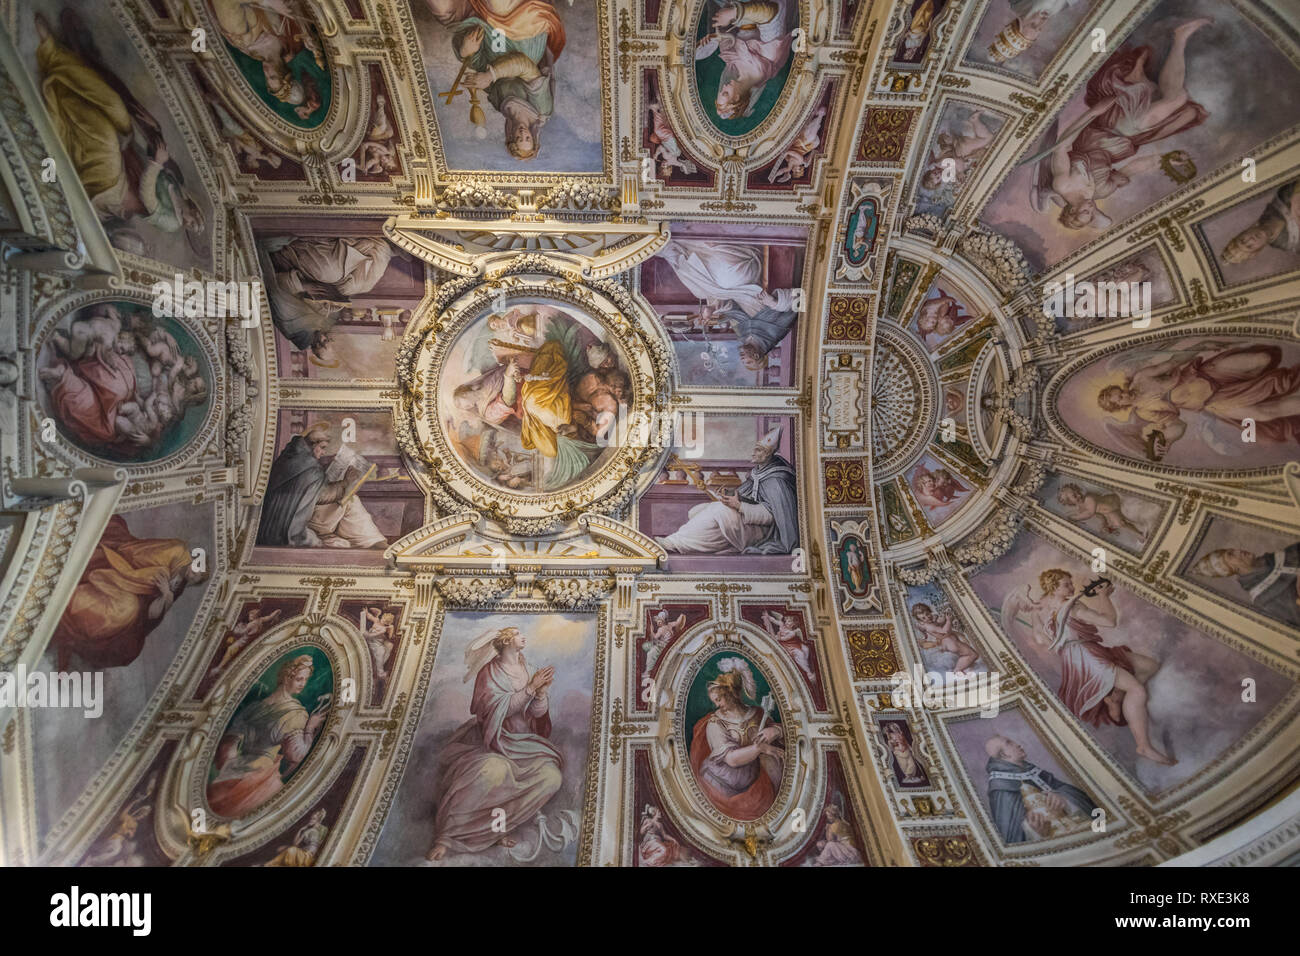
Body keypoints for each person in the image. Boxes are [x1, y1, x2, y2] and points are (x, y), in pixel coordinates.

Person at [1029, 18, 1212, 231]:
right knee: (1176, 101)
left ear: (1071, 210)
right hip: (1126, 142)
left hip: (1106, 129)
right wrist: (1167, 159)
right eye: (1092, 213)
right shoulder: (1101, 191)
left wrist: (1094, 112)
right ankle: (1178, 40)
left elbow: (1062, 144)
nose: (1092, 208)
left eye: (1086, 212)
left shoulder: (1062, 185)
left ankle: (1180, 36)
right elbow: (1131, 169)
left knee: (1176, 100)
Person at [35, 12, 205, 240]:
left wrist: (157, 164)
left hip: (116, 189)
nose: (189, 221)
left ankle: (59, 91)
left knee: (105, 135)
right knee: (114, 104)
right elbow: (151, 157)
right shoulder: (179, 188)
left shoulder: (171, 223)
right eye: (194, 219)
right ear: (195, 210)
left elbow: (147, 196)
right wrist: (153, 130)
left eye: (191, 225)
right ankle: (55, 56)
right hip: (128, 154)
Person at [1003, 570, 1174, 765]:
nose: (1072, 587)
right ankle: (1143, 745)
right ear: (1054, 586)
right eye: (1067, 584)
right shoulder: (1072, 606)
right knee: (1137, 690)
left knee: (1149, 666)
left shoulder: (1038, 608)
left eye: (1071, 583)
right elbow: (1109, 621)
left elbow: (1040, 638)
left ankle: (1116, 697)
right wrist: (1103, 596)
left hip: (1080, 653)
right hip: (1086, 656)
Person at [426, 626, 561, 860]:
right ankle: (447, 837)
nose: (523, 636)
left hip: (523, 743)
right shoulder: (490, 673)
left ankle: (492, 831)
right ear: (507, 641)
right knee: (494, 770)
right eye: (518, 634)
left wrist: (541, 694)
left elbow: (537, 715)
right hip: (492, 741)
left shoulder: (530, 669)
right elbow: (494, 711)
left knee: (551, 777)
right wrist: (530, 688)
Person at [52, 515, 209, 671]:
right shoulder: (177, 551)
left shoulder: (178, 586)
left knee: (128, 640)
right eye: (198, 571)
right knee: (123, 608)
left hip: (138, 601)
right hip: (124, 569)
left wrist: (165, 596)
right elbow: (135, 554)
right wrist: (149, 577)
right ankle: (69, 607)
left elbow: (151, 616)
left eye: (197, 579)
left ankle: (74, 625)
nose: (194, 576)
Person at [1097, 342, 1300, 450]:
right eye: (1120, 399)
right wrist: (1166, 440)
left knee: (1262, 358)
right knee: (1264, 413)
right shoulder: (1146, 411)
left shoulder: (1141, 377)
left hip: (1207, 373)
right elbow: (1177, 425)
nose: (1124, 395)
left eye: (1119, 392)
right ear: (1120, 406)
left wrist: (1200, 346)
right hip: (1214, 401)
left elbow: (1172, 362)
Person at [208, 654, 328, 817]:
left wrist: (232, 767)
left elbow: (226, 747)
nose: (303, 684)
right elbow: (297, 754)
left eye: (305, 680)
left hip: (232, 772)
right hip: (262, 777)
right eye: (299, 679)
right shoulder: (296, 713)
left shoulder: (254, 707)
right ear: (287, 678)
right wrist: (310, 728)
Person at [657, 426, 799, 555]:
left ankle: (676, 544)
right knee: (700, 510)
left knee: (719, 512)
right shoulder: (759, 472)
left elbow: (772, 516)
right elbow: (747, 495)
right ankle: (677, 541)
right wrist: (729, 496)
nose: (753, 453)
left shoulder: (776, 481)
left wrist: (739, 506)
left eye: (758, 450)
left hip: (762, 531)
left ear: (768, 454)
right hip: (747, 519)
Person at [256, 422, 389, 549]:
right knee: (350, 503)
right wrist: (346, 481)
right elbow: (323, 495)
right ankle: (373, 541)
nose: (323, 452)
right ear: (312, 445)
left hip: (275, 525)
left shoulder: (291, 458)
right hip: (290, 530)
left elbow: (312, 492)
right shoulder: (310, 468)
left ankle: (372, 540)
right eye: (322, 447)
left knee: (350, 502)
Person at [688, 657, 783, 819]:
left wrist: (775, 731)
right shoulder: (715, 723)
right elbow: (731, 759)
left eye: (719, 699)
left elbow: (777, 733)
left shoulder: (757, 713)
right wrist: (760, 748)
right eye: (714, 701)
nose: (717, 705)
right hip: (720, 786)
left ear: (731, 693)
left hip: (753, 783)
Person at [695, 0, 796, 121]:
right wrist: (734, 13)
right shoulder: (770, 55)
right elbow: (771, 13)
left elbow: (719, 21)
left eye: (721, 91)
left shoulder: (731, 63)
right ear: (737, 97)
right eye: (726, 93)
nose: (724, 86)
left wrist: (711, 38)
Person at [985, 735, 1096, 843]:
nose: (1018, 745)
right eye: (1009, 743)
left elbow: (1071, 791)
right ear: (1004, 754)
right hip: (1053, 842)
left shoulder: (1032, 770)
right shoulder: (1000, 786)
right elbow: (1012, 833)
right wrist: (1035, 830)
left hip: (1078, 826)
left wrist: (1064, 799)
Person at [1191, 545, 1300, 629]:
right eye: (1231, 554)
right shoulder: (1262, 598)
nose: (1238, 550)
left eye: (1233, 550)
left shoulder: (1274, 558)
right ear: (1232, 569)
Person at [1222, 180, 1300, 263]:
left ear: (1245, 231)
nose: (1251, 240)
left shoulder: (1277, 205)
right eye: (1250, 246)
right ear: (1257, 251)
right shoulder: (1288, 244)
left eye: (1243, 240)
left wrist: (1296, 195)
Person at [208, 606, 284, 680]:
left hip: (242, 642)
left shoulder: (251, 624)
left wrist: (236, 627)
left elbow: (240, 633)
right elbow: (269, 617)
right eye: (250, 614)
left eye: (251, 615)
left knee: (230, 649)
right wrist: (277, 612)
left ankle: (219, 667)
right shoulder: (260, 620)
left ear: (255, 616)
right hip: (249, 642)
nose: (249, 616)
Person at [1056, 483, 1147, 538]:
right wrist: (1104, 524)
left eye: (1077, 492)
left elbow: (1090, 513)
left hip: (1112, 503)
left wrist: (1075, 518)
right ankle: (1138, 532)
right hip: (1107, 512)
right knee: (1117, 524)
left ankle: (1139, 534)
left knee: (1120, 523)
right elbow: (1098, 515)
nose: (1079, 495)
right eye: (1074, 496)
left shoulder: (1088, 498)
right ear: (1070, 502)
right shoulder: (1081, 508)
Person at [910, 603, 978, 673]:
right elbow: (944, 631)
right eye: (923, 618)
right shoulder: (930, 626)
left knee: (966, 655)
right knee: (973, 654)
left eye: (927, 614)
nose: (927, 617)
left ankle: (961, 669)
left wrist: (943, 618)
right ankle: (957, 671)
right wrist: (949, 620)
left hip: (949, 642)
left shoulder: (930, 623)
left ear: (930, 611)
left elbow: (939, 626)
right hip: (951, 642)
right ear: (921, 621)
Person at [761, 610, 816, 684]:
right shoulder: (782, 624)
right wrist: (768, 617)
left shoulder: (792, 633)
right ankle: (808, 672)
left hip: (791, 644)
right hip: (786, 645)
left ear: (794, 624)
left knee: (805, 650)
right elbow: (774, 620)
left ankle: (806, 668)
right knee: (800, 654)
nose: (786, 622)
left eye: (789, 621)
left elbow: (784, 639)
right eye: (786, 620)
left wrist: (778, 636)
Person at [264, 809, 330, 866]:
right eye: (311, 818)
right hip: (303, 851)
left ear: (318, 820)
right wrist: (300, 830)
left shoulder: (322, 830)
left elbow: (318, 845)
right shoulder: (307, 830)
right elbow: (295, 844)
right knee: (280, 849)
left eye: (313, 819)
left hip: (308, 856)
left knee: (291, 850)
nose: (310, 820)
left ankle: (268, 865)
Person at [808, 797, 863, 865]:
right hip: (850, 850)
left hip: (848, 852)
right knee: (825, 845)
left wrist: (828, 829)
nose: (828, 818)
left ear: (834, 815)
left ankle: (820, 862)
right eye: (827, 816)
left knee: (829, 845)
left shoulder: (834, 825)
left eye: (829, 816)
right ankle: (824, 860)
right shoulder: (844, 823)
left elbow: (830, 840)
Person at [883, 721, 928, 786]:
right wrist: (892, 745)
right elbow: (891, 746)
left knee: (912, 764)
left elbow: (905, 742)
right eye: (892, 727)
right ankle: (908, 777)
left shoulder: (900, 733)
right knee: (904, 766)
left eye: (894, 727)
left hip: (906, 750)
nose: (894, 728)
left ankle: (912, 776)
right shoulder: (890, 735)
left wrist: (910, 748)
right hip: (899, 753)